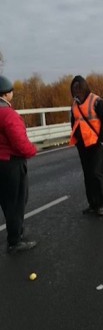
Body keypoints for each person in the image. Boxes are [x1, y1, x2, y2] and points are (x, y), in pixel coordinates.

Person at [0, 75, 38, 253]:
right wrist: (32, 150)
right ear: (6, 93)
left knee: (7, 202)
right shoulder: (8, 114)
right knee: (17, 202)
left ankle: (15, 232)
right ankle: (15, 240)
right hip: (11, 164)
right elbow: (19, 142)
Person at [70, 75, 103, 216]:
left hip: (96, 144)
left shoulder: (96, 101)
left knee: (96, 174)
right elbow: (73, 121)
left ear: (84, 87)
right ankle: (92, 204)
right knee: (88, 175)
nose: (76, 91)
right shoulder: (74, 104)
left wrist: (101, 140)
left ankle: (102, 203)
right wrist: (76, 138)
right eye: (74, 89)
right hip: (82, 145)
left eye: (78, 88)